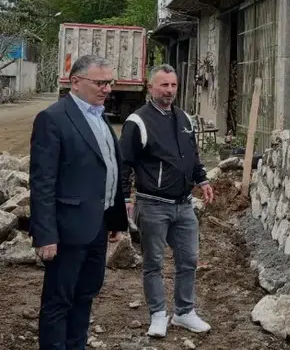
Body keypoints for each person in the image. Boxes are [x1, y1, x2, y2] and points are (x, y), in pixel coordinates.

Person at [29, 54, 129, 350]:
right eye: (100, 82)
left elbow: (108, 168)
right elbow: (42, 182)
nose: (107, 88)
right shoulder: (53, 119)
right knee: (59, 301)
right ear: (75, 82)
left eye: (109, 82)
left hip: (97, 227)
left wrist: (114, 219)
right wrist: (45, 234)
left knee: (85, 295)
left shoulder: (100, 118)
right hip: (67, 230)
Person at [119, 64, 214, 338]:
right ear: (151, 87)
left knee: (189, 260)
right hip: (152, 204)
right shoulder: (137, 122)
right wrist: (125, 197)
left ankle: (184, 313)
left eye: (173, 85)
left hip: (184, 204)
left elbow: (192, 157)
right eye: (163, 85)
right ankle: (158, 315)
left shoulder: (184, 119)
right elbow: (125, 163)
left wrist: (203, 180)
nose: (169, 90)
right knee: (154, 262)